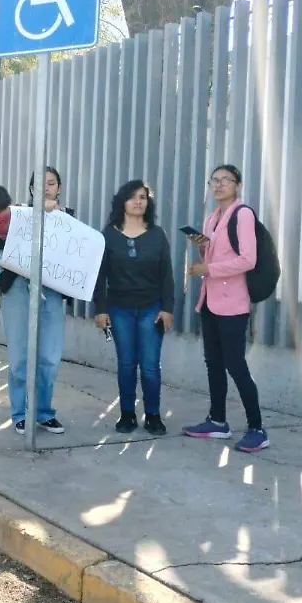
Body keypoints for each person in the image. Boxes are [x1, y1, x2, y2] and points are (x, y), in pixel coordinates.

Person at [182, 164, 269, 453]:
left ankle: (257, 428)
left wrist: (209, 267)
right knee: (214, 363)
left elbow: (248, 260)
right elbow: (213, 255)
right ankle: (218, 421)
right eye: (214, 181)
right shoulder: (212, 218)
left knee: (235, 364)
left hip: (233, 303)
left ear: (238, 185)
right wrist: (201, 248)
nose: (219, 185)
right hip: (210, 301)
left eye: (226, 180)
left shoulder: (242, 214)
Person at [93, 181, 175, 436]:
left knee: (150, 365)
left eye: (143, 197)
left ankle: (153, 415)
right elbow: (100, 275)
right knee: (127, 364)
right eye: (132, 197)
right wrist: (101, 309)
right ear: (122, 202)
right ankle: (127, 414)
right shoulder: (108, 235)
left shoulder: (157, 234)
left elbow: (167, 276)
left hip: (152, 309)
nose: (138, 201)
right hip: (119, 310)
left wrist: (168, 308)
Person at [0, 178, 67, 436]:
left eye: (52, 183)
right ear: (32, 189)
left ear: (59, 188)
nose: (46, 187)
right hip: (19, 289)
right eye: (40, 183)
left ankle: (43, 412)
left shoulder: (68, 220)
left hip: (52, 291)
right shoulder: (16, 214)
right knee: (20, 356)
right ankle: (21, 413)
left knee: (49, 358)